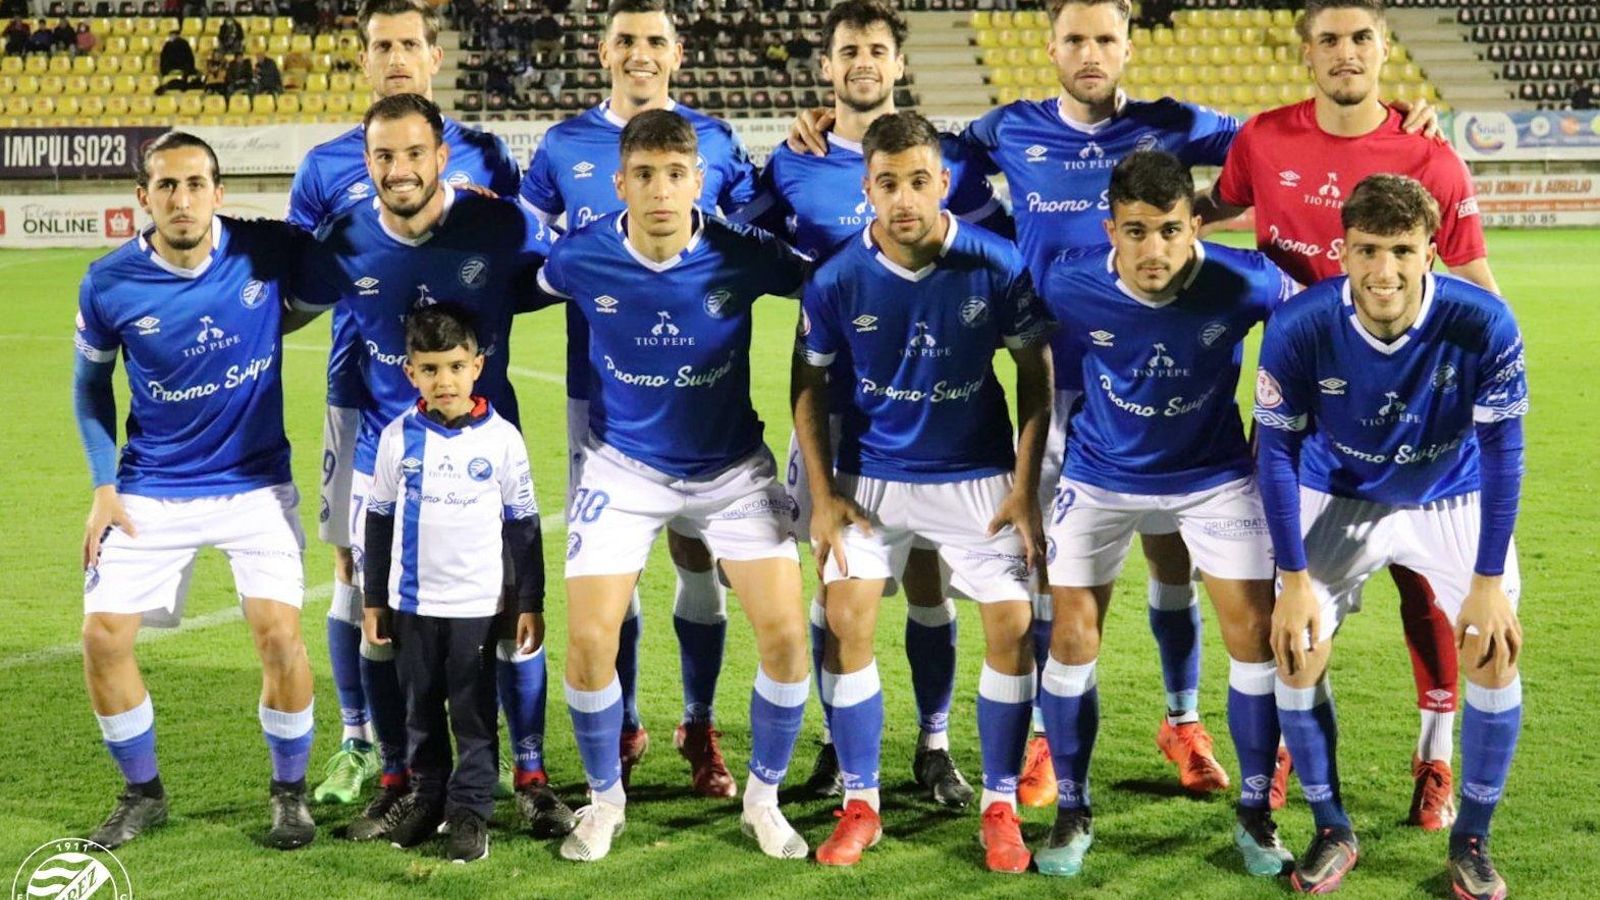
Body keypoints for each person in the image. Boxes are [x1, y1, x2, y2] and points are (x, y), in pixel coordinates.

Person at [786, 0, 1442, 812]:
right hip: (1052, 389)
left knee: (1176, 559)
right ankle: (1040, 747)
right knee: (1038, 579)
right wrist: (833, 121)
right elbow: (904, 150)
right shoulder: (1005, 130)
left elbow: (1286, 137)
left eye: (1106, 37)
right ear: (1051, 47)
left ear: (1129, 45)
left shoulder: (1175, 125)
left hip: (1157, 384)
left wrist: (1393, 115)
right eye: (1075, 38)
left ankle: (1183, 721)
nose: (1091, 52)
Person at [1207, 0, 1499, 830]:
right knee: (1286, 593)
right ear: (1306, 53)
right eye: (1328, 39)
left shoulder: (1430, 158)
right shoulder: (1262, 139)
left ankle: (1435, 757)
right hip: (1300, 415)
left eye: (1361, 37)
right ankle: (1290, 746)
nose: (1345, 52)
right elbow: (1213, 211)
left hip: (1412, 426)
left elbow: (1478, 292)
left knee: (1427, 593)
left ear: (1383, 49)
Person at [736, 0, 1010, 807]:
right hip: (838, 409)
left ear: (897, 64)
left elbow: (992, 247)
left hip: (935, 410)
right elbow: (735, 240)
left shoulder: (945, 155)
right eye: (848, 49)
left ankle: (934, 744)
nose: (862, 61)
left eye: (877, 50)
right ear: (828, 66)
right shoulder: (792, 164)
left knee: (928, 577)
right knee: (838, 583)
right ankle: (834, 744)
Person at [535, 109, 811, 864]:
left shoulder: (743, 253)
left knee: (788, 636)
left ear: (700, 181)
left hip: (731, 469)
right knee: (590, 638)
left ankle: (764, 800)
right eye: (645, 175)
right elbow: (520, 279)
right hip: (624, 466)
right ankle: (603, 803)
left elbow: (831, 287)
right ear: (620, 182)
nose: (661, 190)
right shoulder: (581, 256)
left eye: (677, 174)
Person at [294, 93, 571, 846]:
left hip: (486, 451)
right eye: (384, 156)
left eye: (414, 153)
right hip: (388, 456)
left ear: (441, 156)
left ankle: (533, 780)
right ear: (367, 162)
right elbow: (281, 300)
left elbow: (571, 263)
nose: (399, 169)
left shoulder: (500, 222)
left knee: (513, 624)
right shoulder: (345, 236)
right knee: (379, 623)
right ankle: (400, 782)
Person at [1254, 174, 1527, 898]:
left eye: (1403, 251)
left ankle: (1472, 839)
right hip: (1339, 495)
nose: (1385, 272)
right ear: (1341, 252)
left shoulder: (1484, 322)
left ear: (1430, 252)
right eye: (1368, 250)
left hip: (1450, 494)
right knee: (1296, 650)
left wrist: (1490, 580)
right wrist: (1292, 580)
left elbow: (1505, 450)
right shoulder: (1300, 324)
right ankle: (1331, 828)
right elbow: (1275, 452)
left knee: (1494, 651)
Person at [795, 112, 1052, 872]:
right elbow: (806, 385)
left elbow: (1036, 380)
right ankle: (860, 801)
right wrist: (821, 494)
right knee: (846, 618)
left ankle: (999, 804)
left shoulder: (998, 264)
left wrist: (1026, 488)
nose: (903, 198)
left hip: (979, 478)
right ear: (866, 188)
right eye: (886, 183)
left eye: (918, 181)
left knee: (1011, 626)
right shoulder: (837, 277)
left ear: (944, 182)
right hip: (871, 479)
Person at [516, 0, 761, 800]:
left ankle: (699, 726)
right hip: (603, 401)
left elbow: (766, 229)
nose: (641, 53)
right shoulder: (561, 147)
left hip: (706, 397)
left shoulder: (717, 142)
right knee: (609, 572)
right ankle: (621, 726)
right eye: (627, 40)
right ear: (603, 50)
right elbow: (526, 257)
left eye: (655, 40)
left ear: (678, 52)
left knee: (698, 557)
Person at [1034, 150, 1300, 879]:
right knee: (1071, 639)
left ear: (1196, 224)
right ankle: (1073, 808)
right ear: (1110, 228)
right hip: (1100, 476)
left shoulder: (1244, 280)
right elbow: (1028, 356)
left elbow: (1315, 322)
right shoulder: (1069, 282)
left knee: (1252, 635)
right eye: (1138, 231)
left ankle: (1255, 811)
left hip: (1212, 476)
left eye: (1173, 231)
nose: (1156, 250)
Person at [73, 132, 319, 852]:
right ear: (142, 198)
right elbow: (91, 386)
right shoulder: (109, 281)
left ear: (219, 191)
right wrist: (102, 485)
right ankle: (142, 794)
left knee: (280, 635)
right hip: (152, 484)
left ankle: (289, 795)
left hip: (255, 484)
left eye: (196, 184)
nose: (182, 199)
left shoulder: (263, 249)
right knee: (102, 637)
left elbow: (348, 260)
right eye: (167, 187)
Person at [362, 304, 546, 865]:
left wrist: (529, 602)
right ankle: (428, 797)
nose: (444, 380)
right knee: (419, 709)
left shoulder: (503, 439)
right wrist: (374, 599)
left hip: (477, 604)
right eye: (431, 369)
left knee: (472, 712)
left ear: (477, 367)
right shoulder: (398, 437)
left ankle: (470, 812)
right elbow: (378, 518)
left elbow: (523, 526)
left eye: (456, 366)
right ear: (411, 372)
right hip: (414, 602)